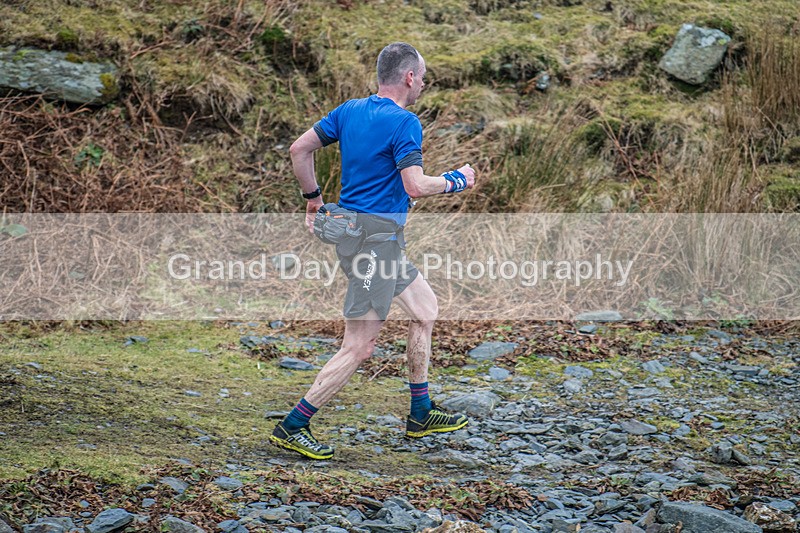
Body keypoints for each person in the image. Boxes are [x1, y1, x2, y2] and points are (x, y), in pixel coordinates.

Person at [270, 42, 476, 460]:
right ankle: (293, 426)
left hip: (379, 242)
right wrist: (457, 179)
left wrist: (313, 199)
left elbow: (299, 149)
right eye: (423, 77)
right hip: (372, 249)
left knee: (425, 309)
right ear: (410, 77)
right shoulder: (405, 122)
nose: (423, 84)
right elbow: (415, 185)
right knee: (360, 345)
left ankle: (421, 412)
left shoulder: (349, 111)